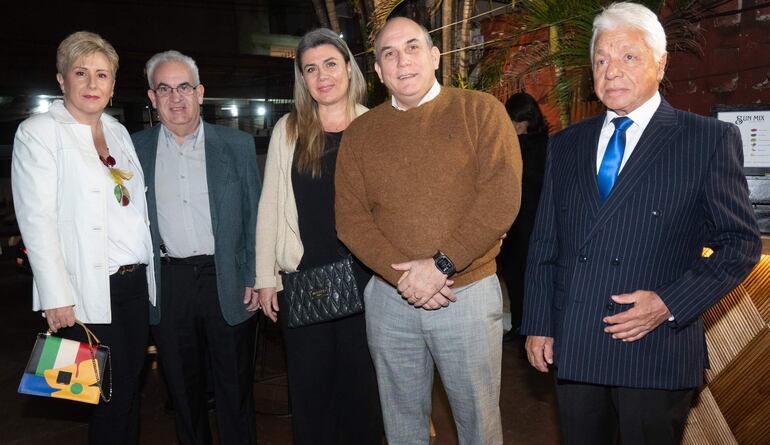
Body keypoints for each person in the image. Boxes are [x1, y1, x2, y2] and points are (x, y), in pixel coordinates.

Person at [521, 3, 761, 444]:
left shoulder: (705, 140)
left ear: (661, 61)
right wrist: (539, 322)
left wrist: (669, 303)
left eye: (628, 56)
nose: (611, 70)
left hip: (654, 347)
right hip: (577, 342)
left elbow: (740, 243)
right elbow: (545, 243)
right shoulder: (566, 144)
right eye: (601, 59)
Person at [335, 16, 522, 445]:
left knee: (479, 424)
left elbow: (501, 200)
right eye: (389, 53)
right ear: (378, 72)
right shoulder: (361, 134)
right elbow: (351, 220)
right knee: (402, 427)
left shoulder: (482, 111)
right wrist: (404, 276)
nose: (403, 61)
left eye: (413, 47)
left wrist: (440, 265)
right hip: (389, 299)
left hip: (467, 294)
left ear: (435, 56)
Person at [12, 31, 155, 444]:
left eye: (102, 75)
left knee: (128, 392)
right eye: (81, 73)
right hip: (85, 292)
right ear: (62, 79)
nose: (93, 84)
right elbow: (37, 219)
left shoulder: (118, 131)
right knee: (102, 397)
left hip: (133, 285)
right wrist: (55, 294)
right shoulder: (38, 132)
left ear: (112, 85)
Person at [254, 28, 383, 445]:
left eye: (330, 63)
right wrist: (266, 278)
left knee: (363, 395)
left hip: (367, 282)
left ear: (348, 67)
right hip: (305, 282)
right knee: (311, 397)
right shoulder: (288, 130)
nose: (322, 75)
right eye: (311, 69)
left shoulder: (376, 126)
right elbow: (270, 209)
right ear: (303, 79)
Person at [131, 50, 260, 445]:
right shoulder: (134, 149)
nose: (176, 98)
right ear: (152, 98)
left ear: (200, 92)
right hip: (169, 285)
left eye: (184, 86)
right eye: (164, 89)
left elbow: (256, 214)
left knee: (234, 392)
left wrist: (256, 276)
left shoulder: (236, 145)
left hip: (228, 279)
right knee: (184, 397)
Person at [499, 92, 549, 343]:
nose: (514, 126)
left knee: (529, 280)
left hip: (534, 224)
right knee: (515, 277)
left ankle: (529, 329)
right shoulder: (511, 144)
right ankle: (520, 326)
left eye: (518, 121)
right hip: (515, 223)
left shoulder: (543, 146)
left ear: (528, 120)